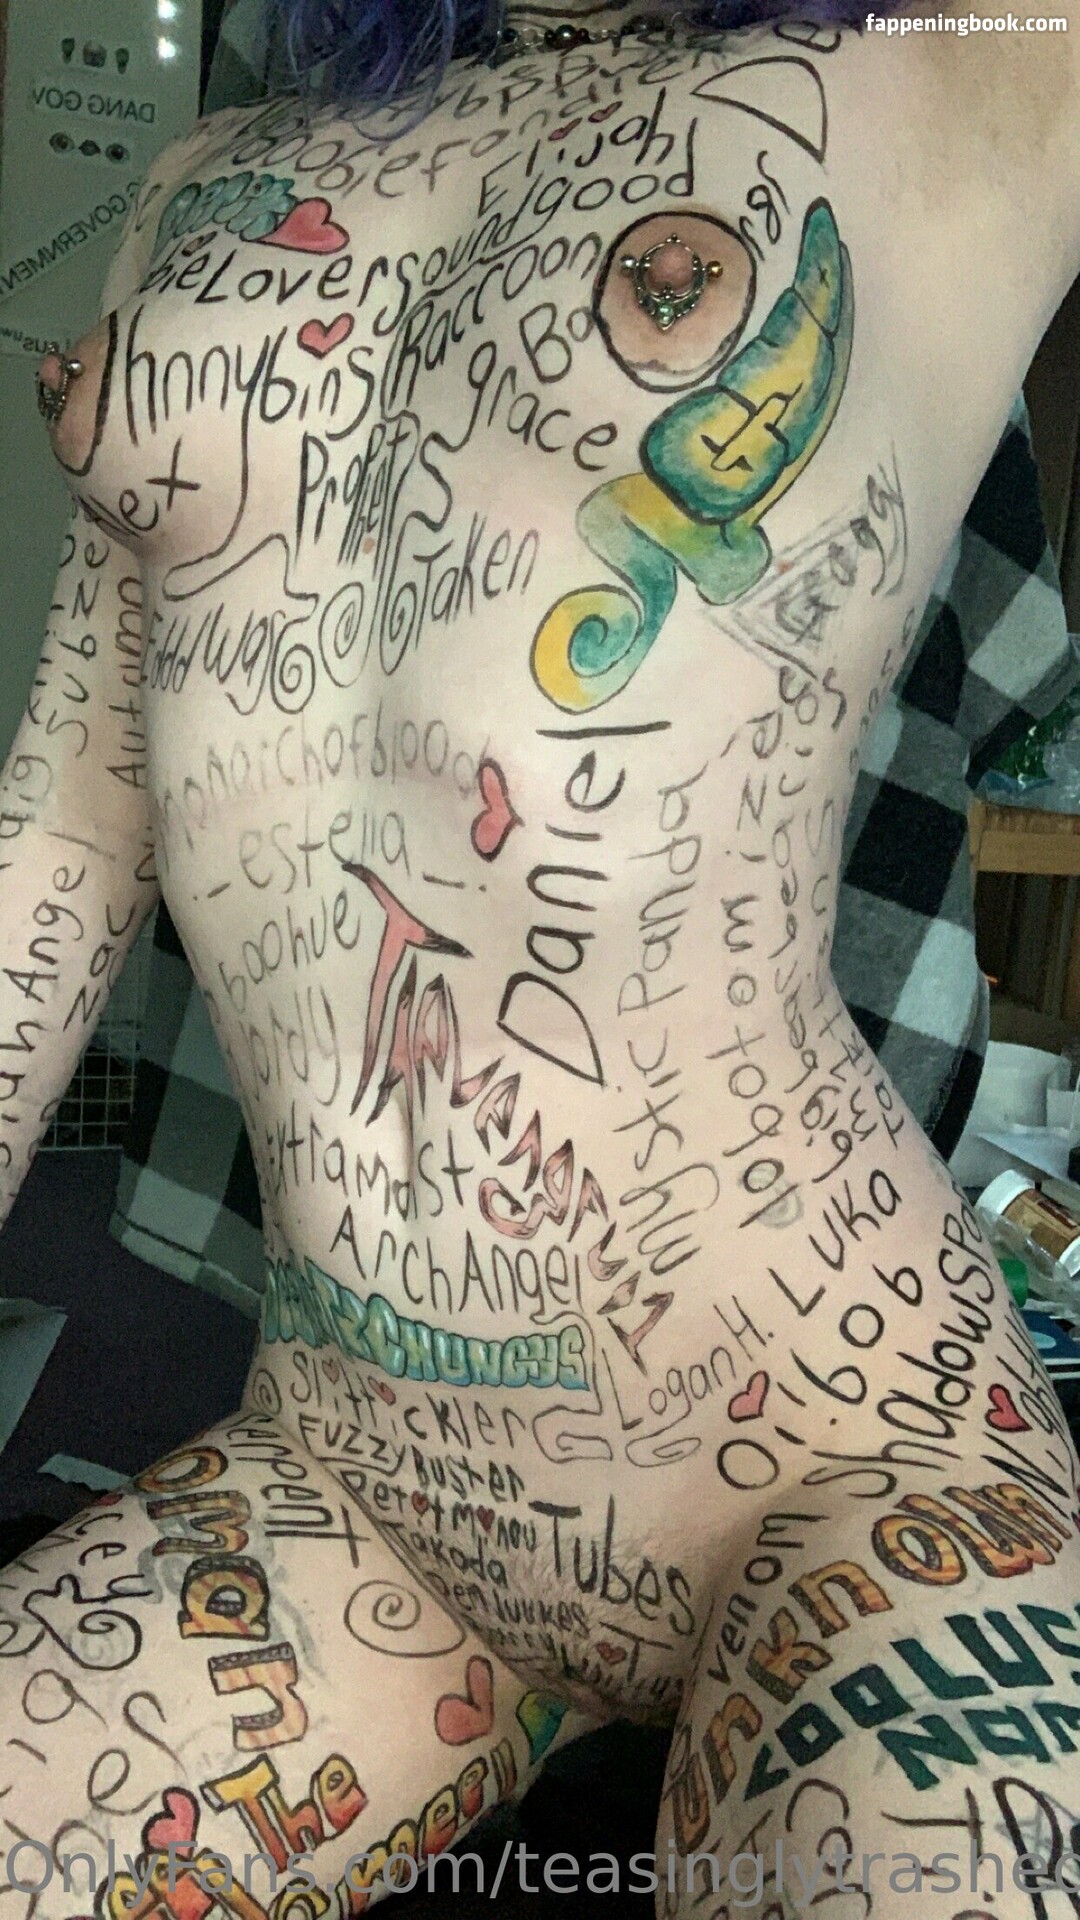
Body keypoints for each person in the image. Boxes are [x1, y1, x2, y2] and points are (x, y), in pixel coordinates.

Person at [2, 1, 1080, 1913]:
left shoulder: (967, 48)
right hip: (354, 1488)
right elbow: (64, 845)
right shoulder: (207, 181)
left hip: (845, 1466)